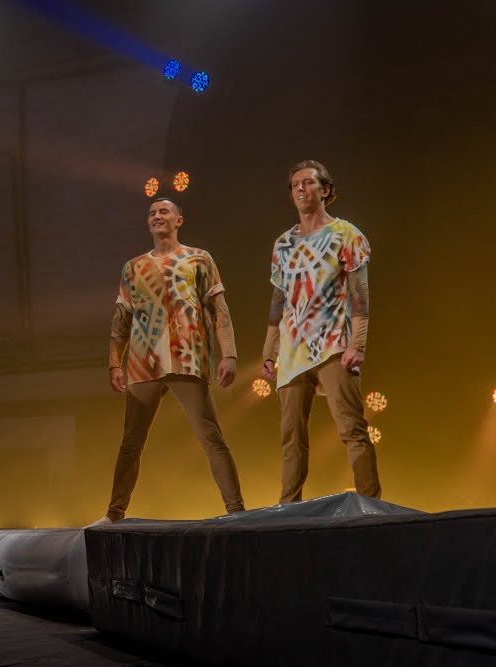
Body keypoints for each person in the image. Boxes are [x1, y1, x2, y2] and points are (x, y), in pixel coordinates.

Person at [92, 198, 245, 525]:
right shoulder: (133, 267)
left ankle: (236, 512)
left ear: (179, 220)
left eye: (164, 212)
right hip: (142, 363)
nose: (157, 216)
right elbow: (121, 319)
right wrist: (114, 363)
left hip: (186, 359)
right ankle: (114, 514)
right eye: (152, 213)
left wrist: (229, 354)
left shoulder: (198, 258)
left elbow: (219, 310)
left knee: (210, 435)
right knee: (130, 443)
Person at [261, 160, 379, 503]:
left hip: (333, 344)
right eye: (295, 184)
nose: (301, 188)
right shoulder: (283, 243)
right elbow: (278, 298)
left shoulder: (346, 234)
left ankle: (371, 505)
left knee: (351, 427)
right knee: (291, 437)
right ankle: (289, 508)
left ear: (325, 190)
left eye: (308, 182)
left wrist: (358, 343)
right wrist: (269, 350)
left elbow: (360, 294)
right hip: (292, 350)